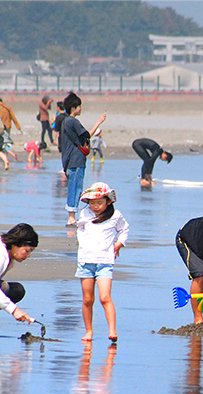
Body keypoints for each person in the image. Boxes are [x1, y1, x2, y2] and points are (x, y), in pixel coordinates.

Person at [76, 182, 129, 343]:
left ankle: (112, 331)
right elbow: (81, 231)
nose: (96, 206)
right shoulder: (85, 214)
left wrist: (119, 244)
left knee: (105, 297)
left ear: (108, 201)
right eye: (92, 202)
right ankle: (89, 331)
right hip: (85, 261)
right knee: (87, 299)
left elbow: (124, 229)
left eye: (99, 202)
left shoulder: (116, 215)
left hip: (105, 262)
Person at [61, 91, 107, 226]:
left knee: (74, 187)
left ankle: (73, 215)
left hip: (69, 160)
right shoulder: (73, 122)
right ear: (73, 108)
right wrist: (98, 122)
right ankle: (71, 217)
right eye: (79, 106)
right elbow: (87, 136)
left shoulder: (65, 121)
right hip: (76, 159)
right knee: (75, 188)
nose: (81, 109)